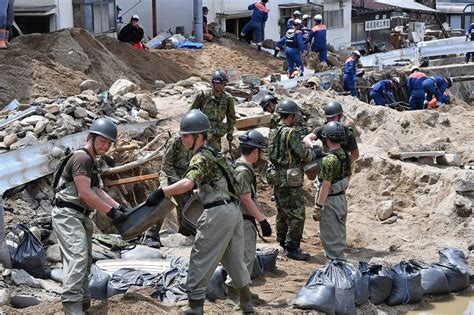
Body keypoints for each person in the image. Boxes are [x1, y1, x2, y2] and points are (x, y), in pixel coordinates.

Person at [146, 110, 253, 314]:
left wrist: (162, 192)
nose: (182, 137)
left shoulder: (200, 158)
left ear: (198, 136)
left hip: (217, 213)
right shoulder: (214, 153)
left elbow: (188, 183)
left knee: (200, 255)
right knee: (233, 260)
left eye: (186, 134)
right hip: (233, 211)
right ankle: (245, 303)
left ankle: (194, 306)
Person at [52, 118, 127, 314]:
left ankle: (83, 304)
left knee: (84, 260)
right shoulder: (82, 158)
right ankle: (72, 306)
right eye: (102, 141)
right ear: (90, 137)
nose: (106, 146)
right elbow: (84, 193)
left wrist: (119, 207)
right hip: (68, 214)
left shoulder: (93, 161)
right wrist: (110, 211)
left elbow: (97, 190)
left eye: (109, 143)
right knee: (77, 257)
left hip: (80, 215)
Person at [226, 129, 272, 304]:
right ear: (254, 151)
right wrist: (262, 220)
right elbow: (246, 199)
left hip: (240, 218)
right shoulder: (243, 171)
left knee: (245, 257)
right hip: (243, 220)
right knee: (242, 258)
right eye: (259, 151)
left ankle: (243, 290)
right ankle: (234, 294)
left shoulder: (238, 166)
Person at [267, 100, 313, 261]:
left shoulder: (273, 131)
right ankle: (292, 247)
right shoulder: (290, 133)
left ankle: (281, 241)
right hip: (290, 178)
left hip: (276, 176)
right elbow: (302, 153)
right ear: (292, 116)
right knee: (297, 214)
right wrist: (311, 151)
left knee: (281, 211)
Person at [312, 121, 352, 261]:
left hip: (330, 201)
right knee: (339, 234)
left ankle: (337, 270)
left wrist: (318, 206)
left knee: (330, 238)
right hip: (341, 198)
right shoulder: (346, 155)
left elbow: (326, 185)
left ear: (326, 138)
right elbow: (348, 176)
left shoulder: (329, 160)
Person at [156, 132, 193, 235]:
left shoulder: (199, 141)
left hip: (185, 176)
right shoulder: (176, 141)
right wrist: (178, 183)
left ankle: (185, 232)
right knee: (162, 198)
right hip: (169, 174)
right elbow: (166, 165)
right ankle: (153, 232)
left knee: (188, 203)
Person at [190, 70, 236, 150]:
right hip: (202, 131)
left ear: (225, 84)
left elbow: (231, 118)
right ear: (213, 83)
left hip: (216, 134)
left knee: (215, 155)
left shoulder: (228, 99)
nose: (219, 86)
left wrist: (230, 132)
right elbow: (191, 113)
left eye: (221, 84)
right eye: (217, 83)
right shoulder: (203, 95)